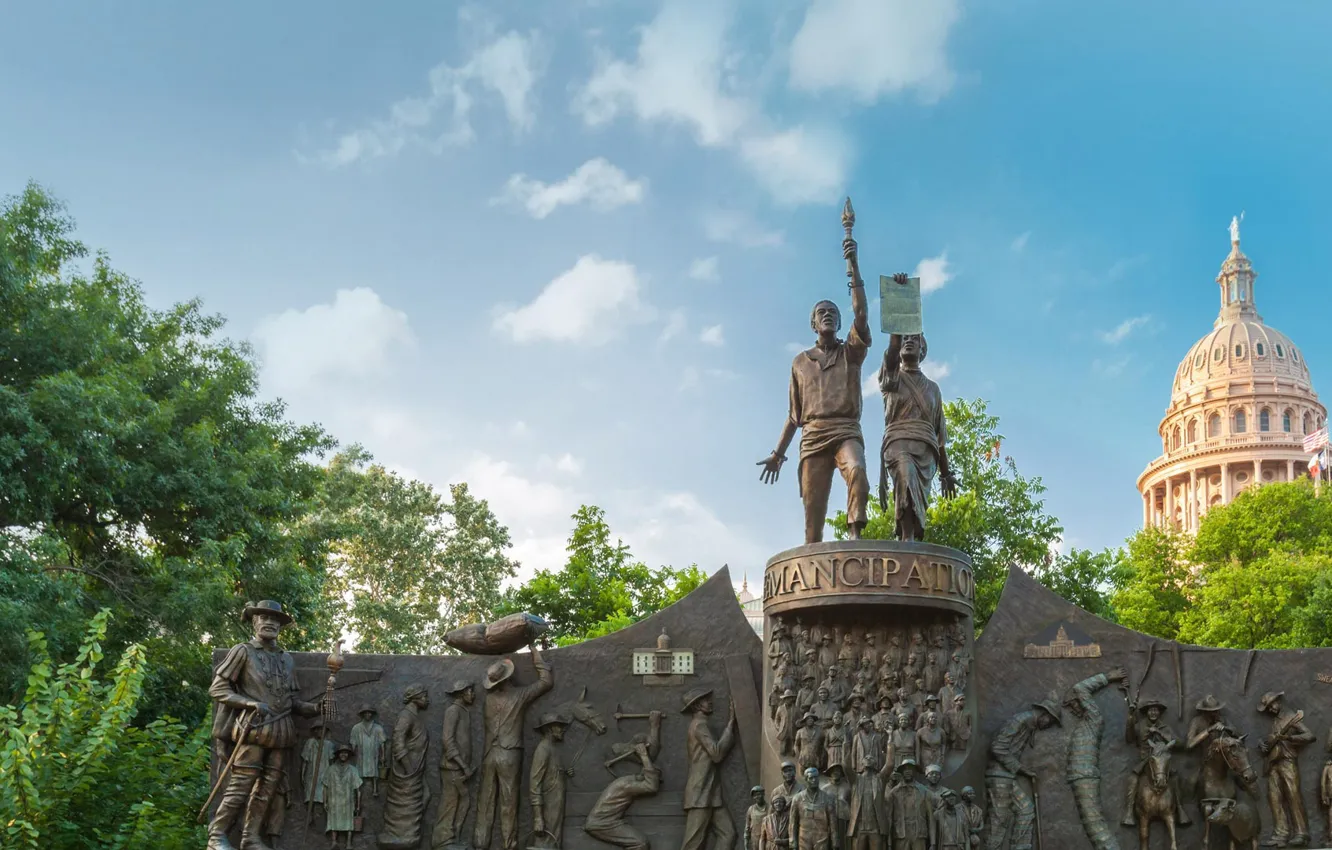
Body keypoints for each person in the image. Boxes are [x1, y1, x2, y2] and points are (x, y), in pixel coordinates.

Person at [758, 236, 874, 544]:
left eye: (833, 313)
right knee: (813, 515)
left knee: (858, 471)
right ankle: (813, 563)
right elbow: (794, 416)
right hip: (813, 436)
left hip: (845, 429)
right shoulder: (800, 362)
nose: (828, 315)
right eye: (822, 312)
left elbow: (861, 314)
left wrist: (854, 267)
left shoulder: (851, 352)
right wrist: (777, 454)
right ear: (813, 323)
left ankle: (854, 535)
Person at [206, 600, 322, 850]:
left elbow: (291, 701)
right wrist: (249, 703)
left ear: (280, 626)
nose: (269, 623)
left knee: (268, 788)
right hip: (253, 730)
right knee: (241, 784)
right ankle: (216, 835)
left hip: (281, 732)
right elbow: (218, 688)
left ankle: (250, 837)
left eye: (275, 619)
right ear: (254, 621)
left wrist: (314, 709)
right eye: (264, 618)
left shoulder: (286, 659)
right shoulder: (242, 651)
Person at [876, 327, 957, 541]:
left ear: (922, 350)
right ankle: (907, 538)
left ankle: (913, 538)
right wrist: (898, 322)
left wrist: (946, 474)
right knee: (905, 476)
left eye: (914, 339)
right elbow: (892, 351)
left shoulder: (933, 389)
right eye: (904, 338)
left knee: (918, 498)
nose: (908, 341)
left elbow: (940, 438)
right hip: (898, 442)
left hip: (926, 451)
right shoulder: (891, 378)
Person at [475, 645, 553, 850]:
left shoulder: (488, 700)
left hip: (489, 754)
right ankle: (509, 846)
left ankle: (480, 844)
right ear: (509, 678)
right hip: (510, 754)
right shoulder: (520, 695)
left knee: (486, 802)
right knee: (509, 804)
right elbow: (546, 682)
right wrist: (536, 653)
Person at [983, 695, 1062, 850]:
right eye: (1050, 722)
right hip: (999, 776)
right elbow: (997, 747)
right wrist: (1021, 768)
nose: (1048, 726)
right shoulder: (1020, 720)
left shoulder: (1030, 725)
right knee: (999, 820)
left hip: (1008, 777)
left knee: (1026, 810)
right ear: (1044, 714)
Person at [1063, 668, 1129, 850]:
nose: (1073, 709)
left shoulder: (1094, 718)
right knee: (1092, 826)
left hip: (1084, 776)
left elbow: (1080, 687)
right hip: (1079, 776)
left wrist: (1107, 678)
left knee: (1096, 826)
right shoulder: (1085, 723)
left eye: (1073, 704)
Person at [680, 688, 739, 850]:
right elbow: (717, 754)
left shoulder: (701, 724)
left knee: (728, 834)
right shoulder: (699, 725)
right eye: (706, 700)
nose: (710, 702)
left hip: (711, 792)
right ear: (698, 705)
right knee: (692, 843)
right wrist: (730, 725)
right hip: (701, 792)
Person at [1121, 697, 1190, 828]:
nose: (1153, 713)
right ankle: (1129, 811)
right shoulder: (1140, 726)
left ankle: (1180, 809)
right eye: (1151, 710)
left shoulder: (1165, 727)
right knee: (1133, 779)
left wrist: (1160, 732)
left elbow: (1180, 744)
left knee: (1175, 778)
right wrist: (1130, 717)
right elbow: (1129, 738)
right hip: (1146, 760)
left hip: (1163, 761)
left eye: (1156, 710)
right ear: (1147, 712)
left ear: (1159, 713)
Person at [1258, 690, 1314, 847]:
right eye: (1267, 708)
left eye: (1271, 706)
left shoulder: (1291, 717)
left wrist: (1289, 738)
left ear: (1278, 701)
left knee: (1293, 796)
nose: (1270, 709)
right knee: (1274, 798)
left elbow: (1310, 736)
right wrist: (1264, 746)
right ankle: (1281, 834)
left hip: (1287, 762)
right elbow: (1272, 743)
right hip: (1273, 763)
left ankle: (1302, 833)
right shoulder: (1276, 721)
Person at [380, 684, 432, 849]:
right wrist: (409, 768)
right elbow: (397, 741)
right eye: (424, 696)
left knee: (425, 796)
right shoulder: (406, 716)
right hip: (407, 773)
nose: (427, 700)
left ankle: (409, 833)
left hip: (416, 770)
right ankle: (400, 835)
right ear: (415, 698)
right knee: (404, 805)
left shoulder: (414, 716)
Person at [433, 680, 476, 850]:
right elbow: (447, 740)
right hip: (452, 767)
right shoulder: (453, 711)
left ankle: (453, 838)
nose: (473, 695)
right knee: (449, 803)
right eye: (470, 691)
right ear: (461, 693)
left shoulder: (463, 711)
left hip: (460, 767)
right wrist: (462, 764)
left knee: (463, 802)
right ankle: (441, 841)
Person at [530, 713, 574, 849]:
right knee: (545, 844)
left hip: (555, 807)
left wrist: (564, 773)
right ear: (549, 729)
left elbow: (551, 775)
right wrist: (538, 817)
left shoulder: (552, 748)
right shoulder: (542, 750)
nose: (562, 729)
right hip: (547, 809)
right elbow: (534, 784)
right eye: (559, 726)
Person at [847, 716, 888, 850]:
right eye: (866, 758)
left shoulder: (879, 779)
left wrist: (891, 737)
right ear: (862, 763)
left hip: (875, 827)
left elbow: (890, 764)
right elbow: (845, 764)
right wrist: (845, 739)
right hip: (859, 828)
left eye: (871, 758)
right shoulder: (856, 780)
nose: (869, 759)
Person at [884, 759, 935, 850]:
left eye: (911, 769)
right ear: (901, 772)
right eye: (905, 769)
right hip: (900, 834)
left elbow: (930, 818)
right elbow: (889, 819)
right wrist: (888, 843)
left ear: (915, 772)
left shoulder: (924, 792)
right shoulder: (893, 793)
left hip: (919, 834)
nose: (908, 771)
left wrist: (933, 843)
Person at [322, 743, 363, 850]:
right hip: (334, 800)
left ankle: (349, 843)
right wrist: (325, 801)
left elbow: (358, 790)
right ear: (338, 754)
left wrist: (358, 805)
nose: (343, 755)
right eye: (341, 753)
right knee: (333, 819)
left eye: (345, 753)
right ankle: (334, 842)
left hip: (348, 800)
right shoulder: (330, 770)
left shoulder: (353, 770)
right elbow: (325, 787)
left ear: (348, 755)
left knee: (349, 820)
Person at [790, 766, 839, 850]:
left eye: (816, 777)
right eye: (811, 778)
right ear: (806, 779)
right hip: (804, 839)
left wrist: (835, 841)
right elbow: (793, 822)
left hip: (822, 838)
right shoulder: (797, 798)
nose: (814, 780)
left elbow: (833, 823)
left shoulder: (827, 798)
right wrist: (792, 841)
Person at [351, 706, 387, 798]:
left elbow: (382, 742)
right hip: (361, 753)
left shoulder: (378, 728)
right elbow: (353, 742)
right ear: (362, 714)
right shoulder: (356, 728)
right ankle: (358, 789)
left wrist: (383, 755)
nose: (368, 715)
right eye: (365, 713)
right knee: (359, 769)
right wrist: (352, 752)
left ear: (372, 714)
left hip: (373, 752)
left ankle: (375, 789)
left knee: (374, 768)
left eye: (369, 713)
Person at [302, 720, 335, 810]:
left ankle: (319, 812)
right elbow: (305, 760)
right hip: (311, 774)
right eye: (318, 730)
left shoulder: (329, 745)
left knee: (321, 796)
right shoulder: (310, 743)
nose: (320, 732)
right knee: (310, 796)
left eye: (322, 730)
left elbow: (331, 761)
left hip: (324, 773)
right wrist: (302, 774)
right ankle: (310, 815)